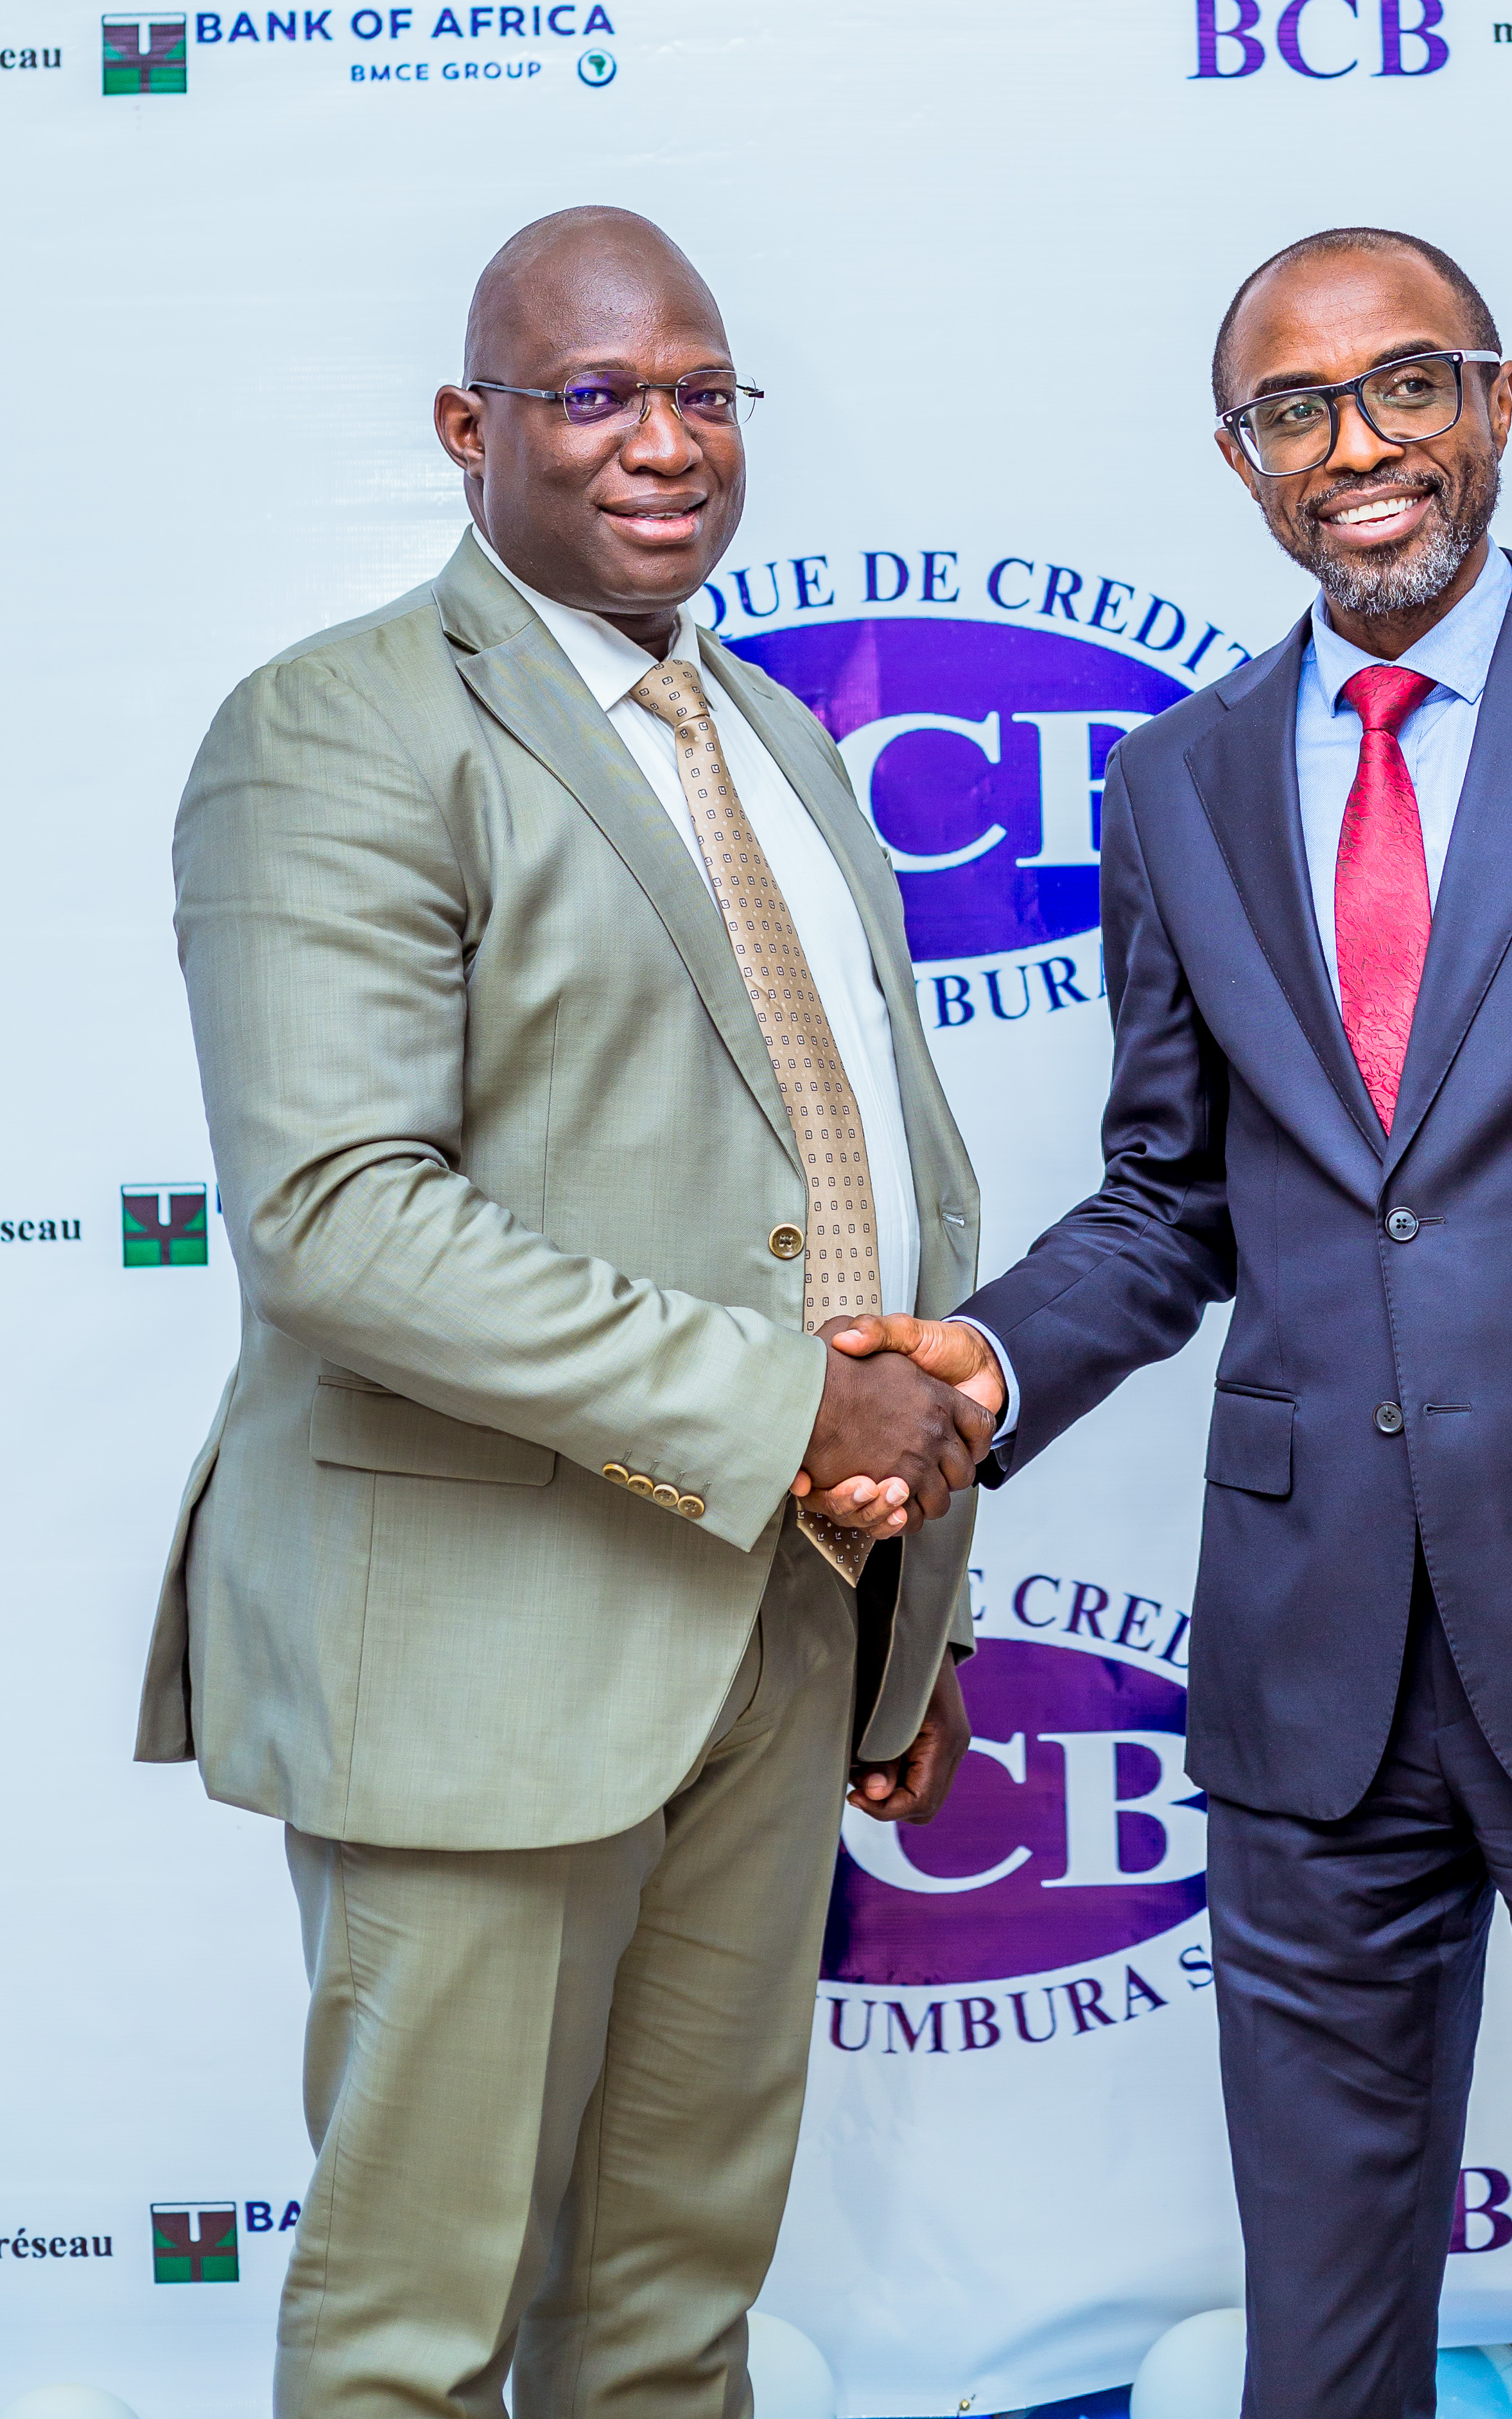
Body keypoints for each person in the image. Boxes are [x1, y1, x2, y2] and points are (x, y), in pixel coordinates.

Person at [839, 227, 1512, 2419]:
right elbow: (1173, 1199)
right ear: (1241, 461)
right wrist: (990, 1365)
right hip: (1311, 1685)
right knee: (1318, 2355)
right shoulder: (1183, 780)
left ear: (1494, 403)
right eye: (1296, 410)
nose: (1360, 447)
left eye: (1409, 384)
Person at [135, 206, 995, 2416]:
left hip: (780, 1623)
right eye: (595, 394)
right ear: (469, 425)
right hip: (485, 1649)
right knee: (415, 2337)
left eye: (702, 392)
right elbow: (336, 1218)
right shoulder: (336, 727)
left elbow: (849, 1181)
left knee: (670, 2321)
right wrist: (789, 1408)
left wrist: (910, 1616)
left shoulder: (778, 741)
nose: (663, 443)